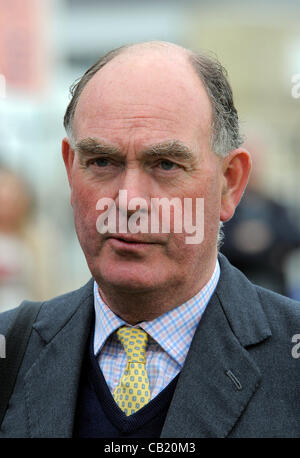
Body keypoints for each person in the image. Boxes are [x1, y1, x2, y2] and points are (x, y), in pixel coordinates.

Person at [0, 41, 300, 438]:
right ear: (71, 173)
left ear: (229, 184)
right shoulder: (11, 354)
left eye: (165, 164)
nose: (129, 201)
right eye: (102, 161)